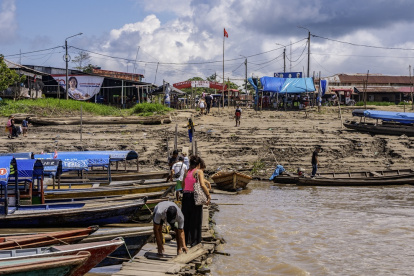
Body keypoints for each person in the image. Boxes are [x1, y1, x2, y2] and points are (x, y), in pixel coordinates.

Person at [182, 155, 211, 247]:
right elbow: (202, 184)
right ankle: (195, 242)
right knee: (196, 219)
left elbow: (183, 184)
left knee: (186, 220)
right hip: (194, 197)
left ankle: (185, 241)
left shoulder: (186, 172)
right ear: (198, 164)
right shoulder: (199, 171)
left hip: (185, 196)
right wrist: (208, 195)